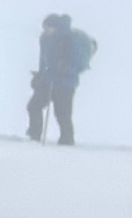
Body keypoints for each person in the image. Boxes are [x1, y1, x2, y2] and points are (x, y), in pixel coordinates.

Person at [28, 13, 95, 145]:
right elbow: (43, 59)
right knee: (33, 106)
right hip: (48, 81)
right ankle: (34, 136)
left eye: (48, 28)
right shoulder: (45, 39)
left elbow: (78, 63)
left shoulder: (70, 39)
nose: (46, 30)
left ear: (56, 27)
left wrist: (65, 68)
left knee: (62, 114)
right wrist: (40, 76)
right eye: (45, 28)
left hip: (65, 84)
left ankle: (67, 140)